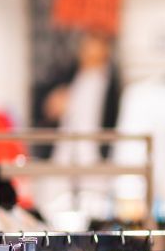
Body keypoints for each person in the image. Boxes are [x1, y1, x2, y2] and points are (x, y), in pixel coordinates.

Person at [34, 31, 122, 162]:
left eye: (94, 44)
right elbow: (45, 110)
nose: (88, 49)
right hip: (63, 155)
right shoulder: (66, 78)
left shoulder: (111, 86)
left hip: (94, 158)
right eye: (86, 43)